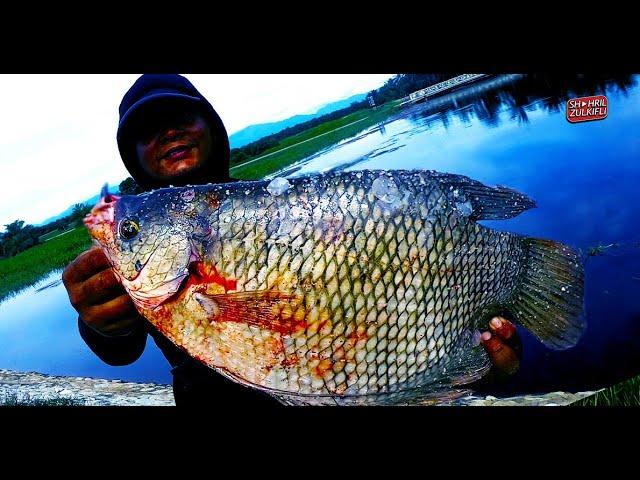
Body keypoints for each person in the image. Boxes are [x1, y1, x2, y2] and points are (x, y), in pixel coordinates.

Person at [62, 74, 521, 406]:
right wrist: (102, 321)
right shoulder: (142, 235)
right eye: (146, 131)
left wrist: (477, 352)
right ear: (133, 156)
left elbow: (396, 298)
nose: (168, 132)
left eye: (181, 116)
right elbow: (120, 349)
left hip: (354, 384)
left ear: (212, 127)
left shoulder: (289, 210)